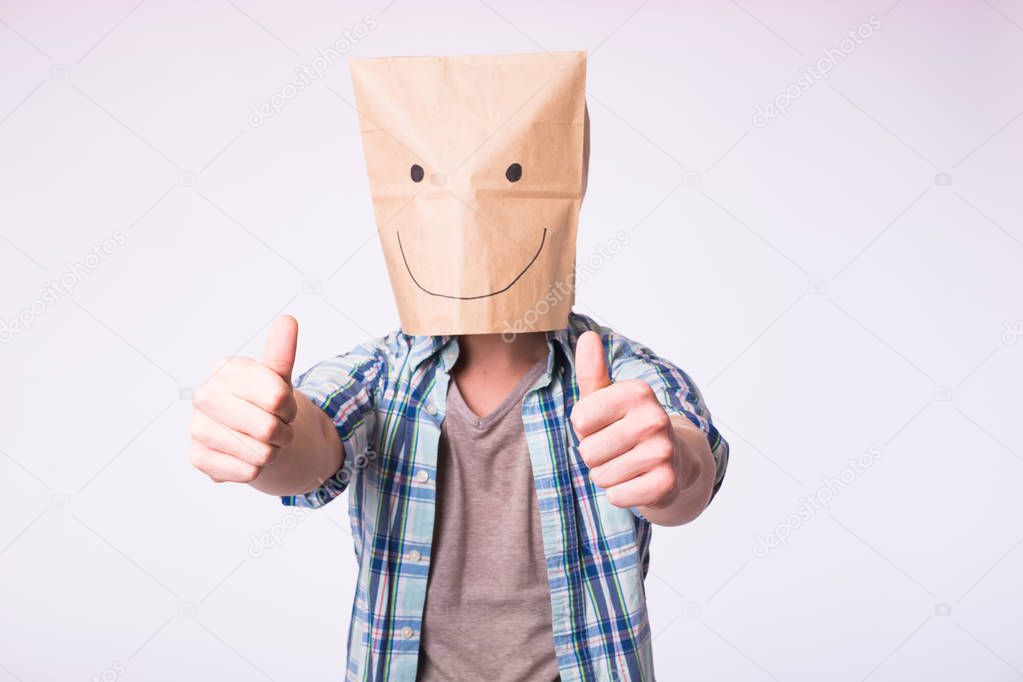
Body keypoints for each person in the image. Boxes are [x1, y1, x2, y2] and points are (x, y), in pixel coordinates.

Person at [188, 51, 729, 681]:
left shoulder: (617, 374)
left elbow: (691, 460)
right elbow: (315, 445)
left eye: (512, 178)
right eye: (424, 179)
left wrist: (672, 465)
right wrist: (270, 434)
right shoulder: (379, 377)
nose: (469, 211)